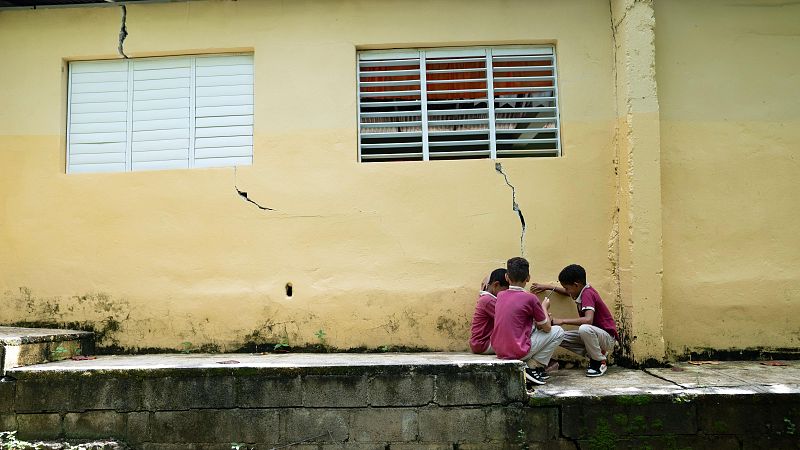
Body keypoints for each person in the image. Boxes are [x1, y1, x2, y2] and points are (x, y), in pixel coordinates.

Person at [531, 264, 618, 377]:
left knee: (584, 328)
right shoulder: (581, 290)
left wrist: (562, 321)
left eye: (567, 287)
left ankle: (599, 362)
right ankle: (596, 353)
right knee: (558, 335)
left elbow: (588, 320)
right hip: (596, 336)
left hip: (607, 338)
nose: (567, 291)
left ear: (576, 285)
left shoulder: (587, 294)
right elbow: (567, 292)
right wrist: (548, 287)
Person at [492, 257, 565, 385]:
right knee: (558, 331)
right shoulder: (530, 298)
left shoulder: (500, 295)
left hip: (499, 350)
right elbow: (547, 327)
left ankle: (531, 367)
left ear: (507, 277)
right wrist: (544, 307)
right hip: (517, 352)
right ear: (528, 278)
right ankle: (532, 367)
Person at [469, 268, 509, 354]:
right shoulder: (488, 301)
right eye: (506, 291)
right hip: (483, 344)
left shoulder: (487, 297)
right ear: (496, 285)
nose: (508, 295)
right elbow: (508, 319)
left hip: (481, 343)